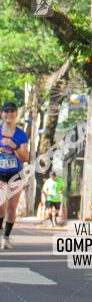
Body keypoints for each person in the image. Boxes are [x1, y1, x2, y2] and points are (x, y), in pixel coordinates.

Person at [0, 101, 30, 250]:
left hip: (16, 173)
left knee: (12, 208)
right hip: (0, 173)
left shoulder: (21, 134)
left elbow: (25, 158)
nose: (9, 114)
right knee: (0, 205)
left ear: (16, 115)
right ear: (2, 114)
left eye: (12, 112)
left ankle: (6, 237)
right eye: (6, 111)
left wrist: (15, 147)